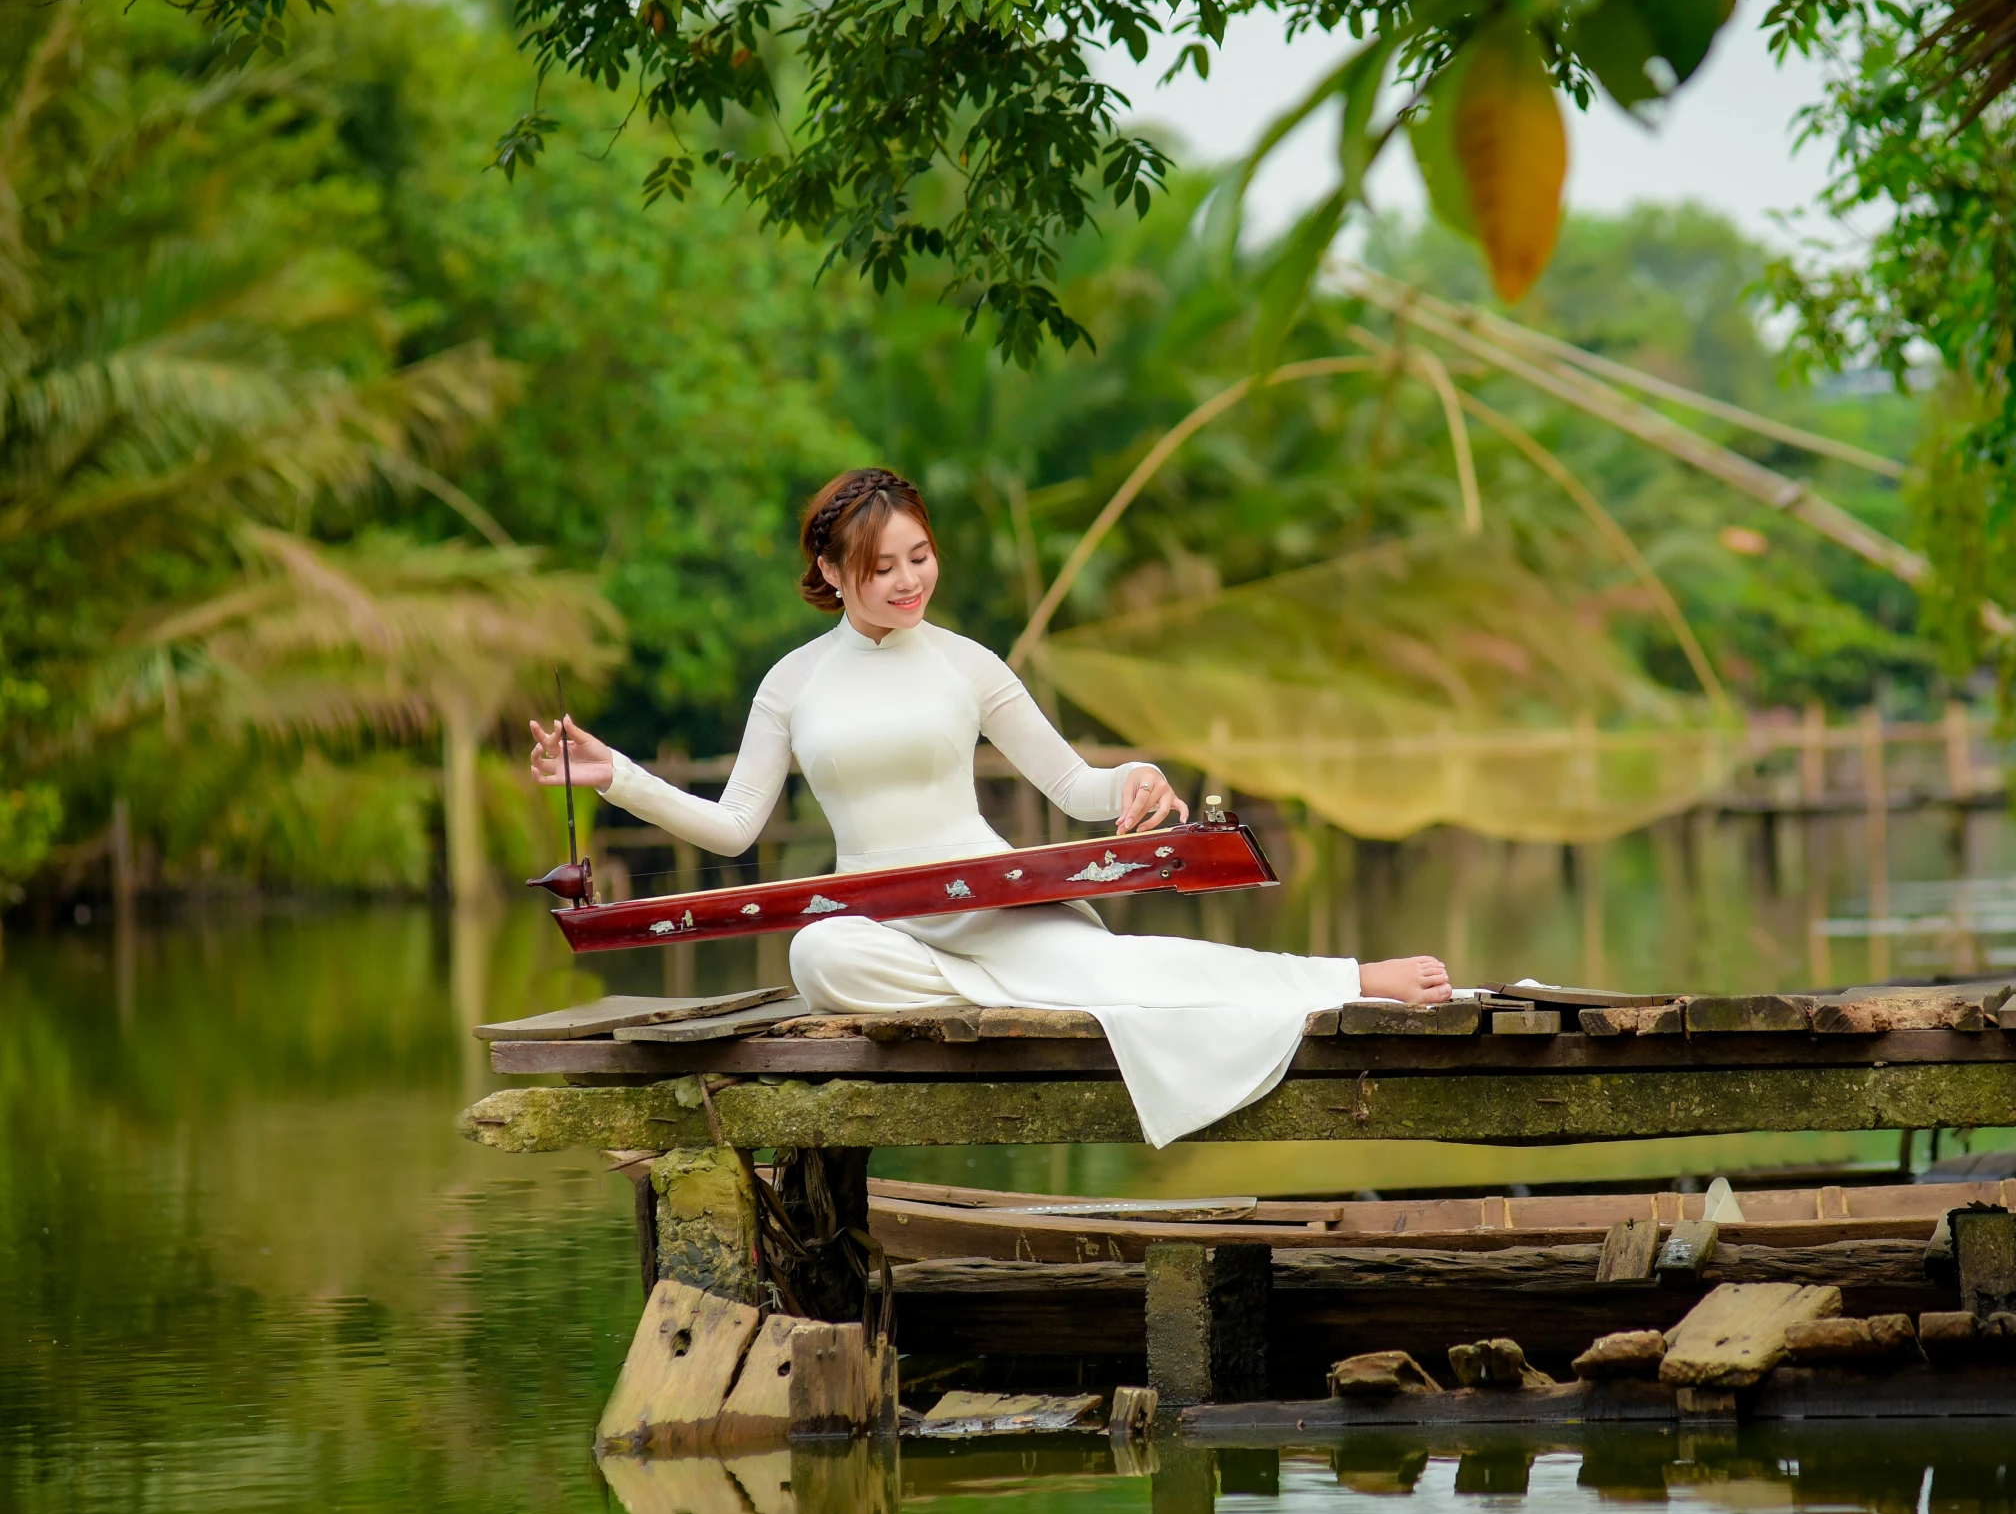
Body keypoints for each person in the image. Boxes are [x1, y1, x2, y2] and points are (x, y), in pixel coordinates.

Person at [530, 467, 1450, 1145]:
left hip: (991, 912)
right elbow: (734, 830)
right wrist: (616, 775)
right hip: (877, 930)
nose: (906, 581)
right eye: (880, 565)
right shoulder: (792, 682)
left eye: (918, 556)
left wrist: (1132, 775)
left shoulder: (966, 662)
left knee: (1122, 967)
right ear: (829, 567)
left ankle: (1345, 978)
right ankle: (1056, 990)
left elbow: (1072, 788)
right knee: (817, 954)